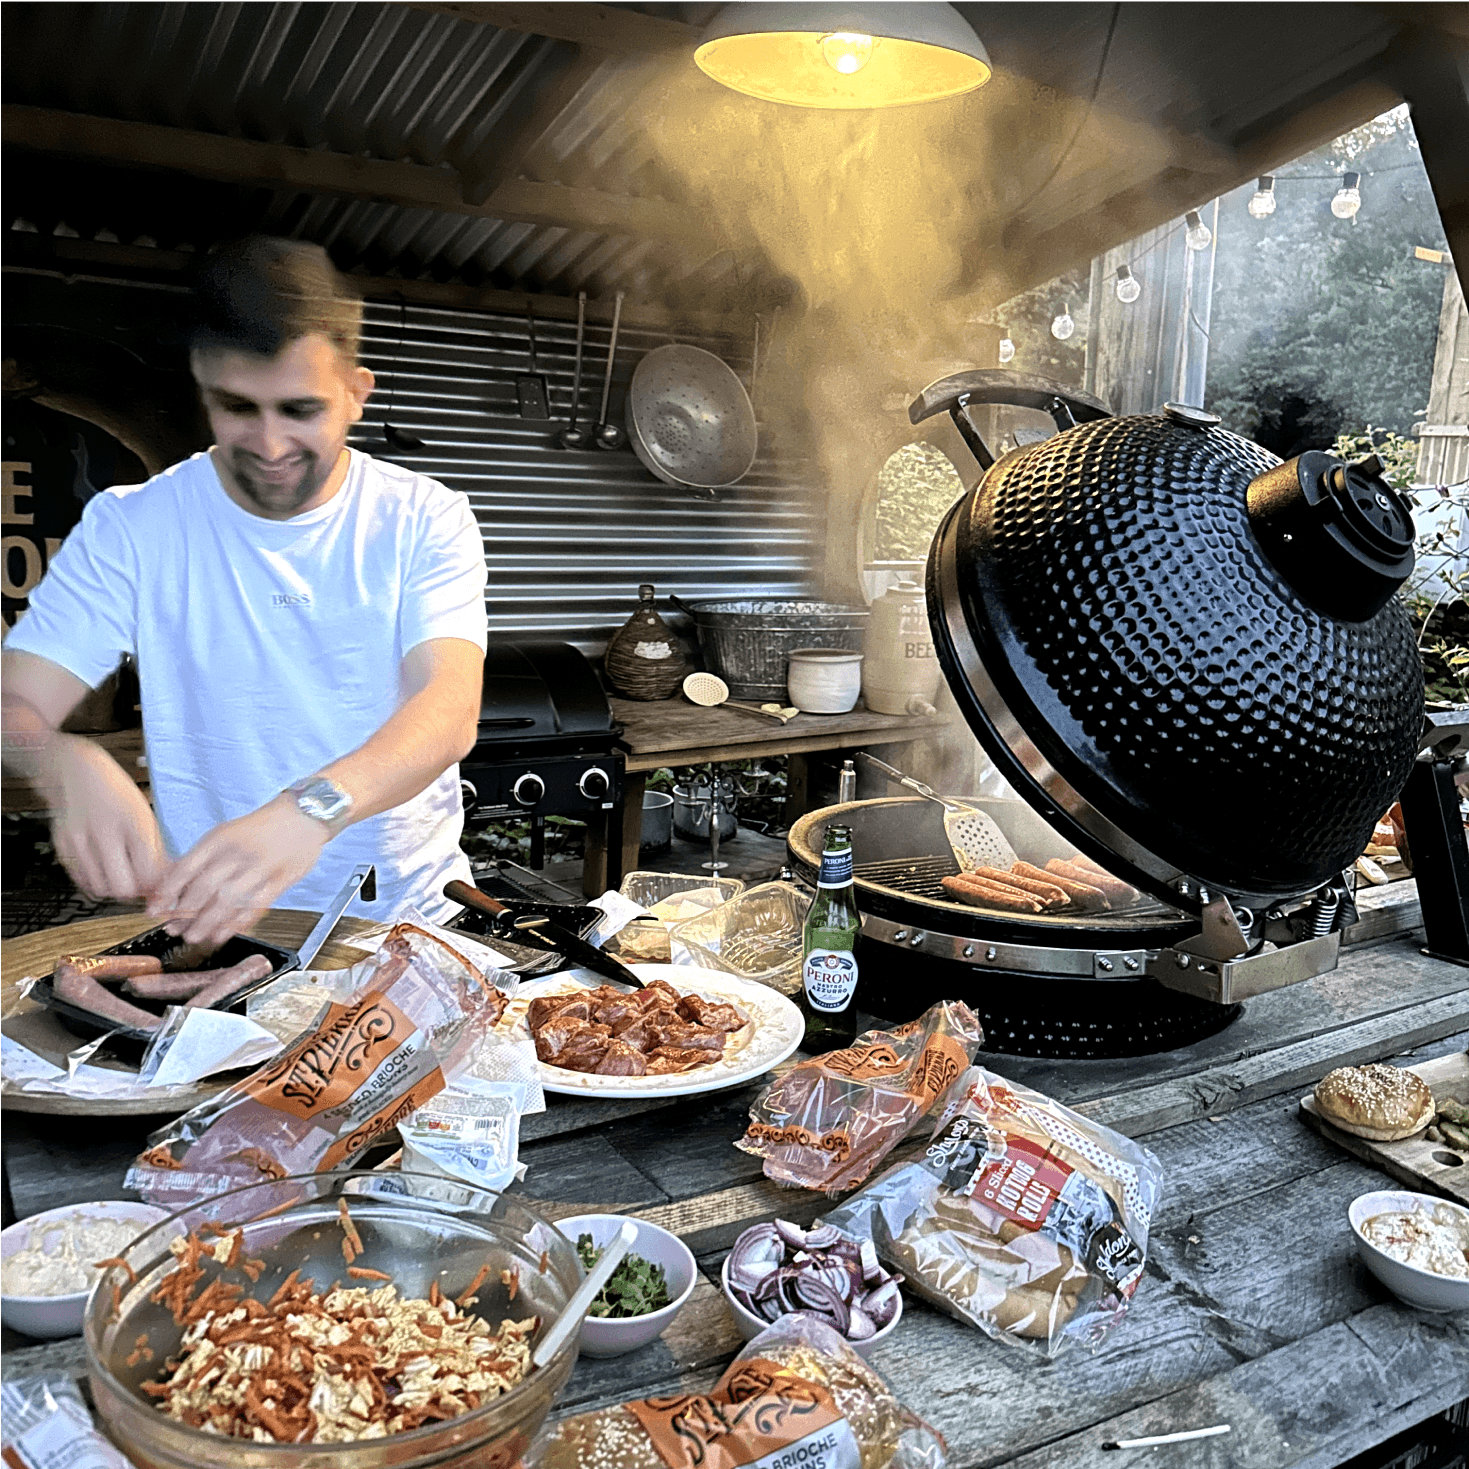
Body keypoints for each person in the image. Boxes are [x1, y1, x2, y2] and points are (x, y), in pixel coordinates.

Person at [1, 237, 488, 944]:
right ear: (204, 389)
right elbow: (16, 702)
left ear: (356, 394)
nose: (268, 443)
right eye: (238, 408)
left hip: (401, 922)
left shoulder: (422, 516)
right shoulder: (133, 525)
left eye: (300, 410)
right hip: (216, 928)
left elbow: (446, 708)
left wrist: (310, 809)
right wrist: (62, 762)